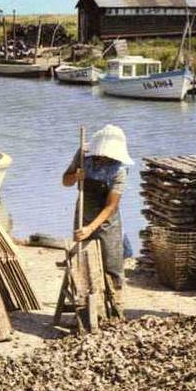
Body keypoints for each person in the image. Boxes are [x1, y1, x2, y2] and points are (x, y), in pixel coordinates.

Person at [61, 124, 132, 297]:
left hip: (107, 220)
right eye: (100, 155)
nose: (102, 159)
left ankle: (115, 303)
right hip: (84, 210)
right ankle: (84, 303)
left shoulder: (120, 170)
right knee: (81, 260)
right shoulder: (83, 154)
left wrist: (90, 229)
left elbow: (111, 206)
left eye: (107, 156)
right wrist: (76, 176)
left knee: (111, 264)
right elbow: (65, 181)